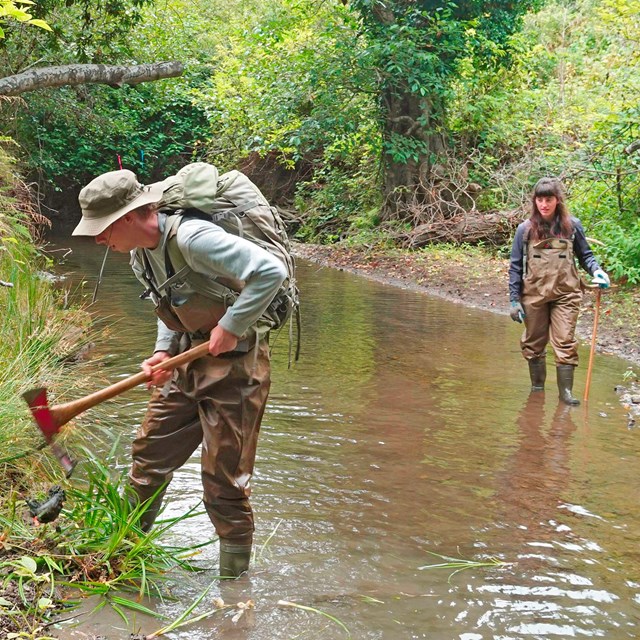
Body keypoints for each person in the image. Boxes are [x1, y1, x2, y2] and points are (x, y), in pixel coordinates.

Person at [72, 168, 287, 578]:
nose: (99, 240)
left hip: (237, 367)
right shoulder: (139, 254)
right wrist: (160, 351)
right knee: (148, 460)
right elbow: (167, 301)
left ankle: (235, 588)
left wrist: (233, 324)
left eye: (103, 230)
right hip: (185, 361)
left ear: (130, 217)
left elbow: (269, 272)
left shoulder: (194, 238)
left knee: (225, 483)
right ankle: (120, 557)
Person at [508, 177, 610, 405]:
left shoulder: (572, 226)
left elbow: (586, 256)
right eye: (540, 199)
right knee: (534, 343)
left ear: (557, 200)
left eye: (549, 199)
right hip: (533, 294)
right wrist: (514, 300)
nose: (544, 204)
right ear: (535, 201)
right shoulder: (524, 230)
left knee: (565, 341)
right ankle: (537, 391)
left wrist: (597, 271)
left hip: (566, 293)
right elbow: (515, 266)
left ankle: (566, 394)